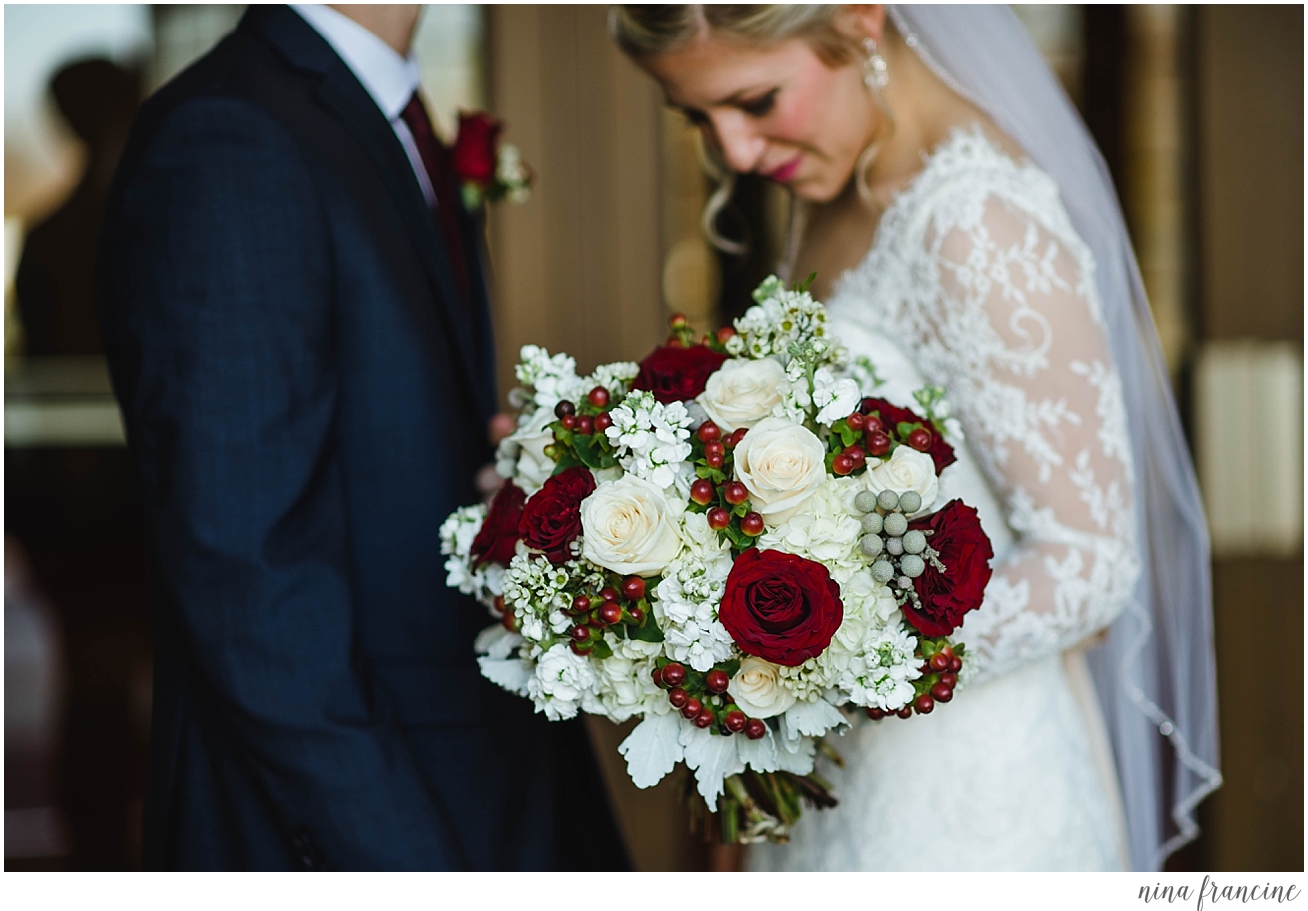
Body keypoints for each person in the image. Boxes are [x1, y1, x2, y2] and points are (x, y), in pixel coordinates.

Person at [612, 4, 1220, 871]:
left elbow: (1089, 562)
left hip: (968, 808)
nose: (734, 152)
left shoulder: (977, 223)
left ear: (861, 20)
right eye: (698, 117)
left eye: (755, 101)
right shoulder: (831, 188)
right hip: (835, 787)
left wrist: (822, 662)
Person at [97, 4, 627, 870]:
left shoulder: (380, 115)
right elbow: (246, 568)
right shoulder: (230, 137)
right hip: (368, 809)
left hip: (483, 768)